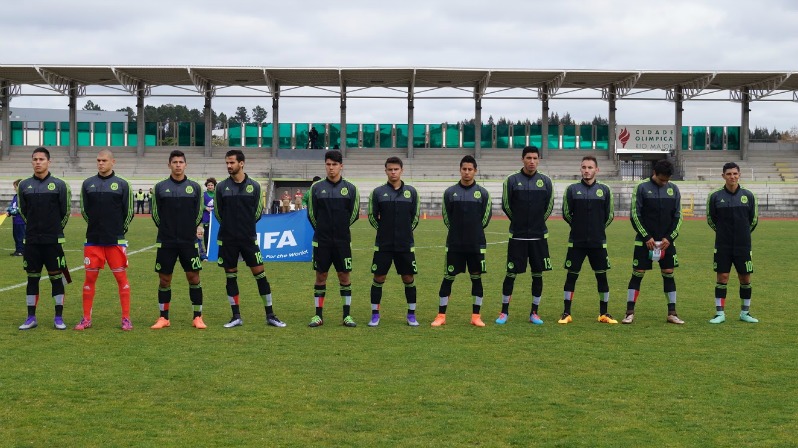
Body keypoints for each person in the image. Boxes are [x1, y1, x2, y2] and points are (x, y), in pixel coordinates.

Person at [215, 149, 286, 328]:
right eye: (227, 163)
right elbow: (218, 213)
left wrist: (244, 228)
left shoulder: (254, 186)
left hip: (248, 238)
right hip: (228, 239)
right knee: (230, 276)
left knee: (260, 275)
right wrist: (232, 227)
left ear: (242, 163)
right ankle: (236, 316)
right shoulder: (221, 187)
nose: (229, 166)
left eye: (232, 162)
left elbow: (257, 213)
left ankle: (270, 315)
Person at [74, 149, 135, 331]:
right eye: (98, 160)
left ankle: (125, 318)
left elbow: (129, 211)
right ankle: (86, 318)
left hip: (115, 241)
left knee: (121, 278)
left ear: (112, 162)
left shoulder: (122, 184)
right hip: (93, 241)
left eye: (104, 160)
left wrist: (118, 232)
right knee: (89, 279)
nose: (101, 163)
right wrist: (96, 227)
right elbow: (84, 211)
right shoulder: (88, 184)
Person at [431, 155, 492, 327]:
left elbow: (485, 219)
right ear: (460, 170)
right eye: (464, 169)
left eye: (470, 169)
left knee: (476, 279)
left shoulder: (483, 193)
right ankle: (441, 316)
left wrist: (473, 231)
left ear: (475, 171)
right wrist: (458, 231)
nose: (467, 172)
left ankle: (476, 316)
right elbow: (446, 217)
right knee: (448, 278)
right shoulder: (450, 192)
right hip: (455, 244)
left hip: (476, 244)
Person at [495, 146, 554, 325]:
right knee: (511, 273)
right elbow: (506, 205)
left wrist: (536, 223)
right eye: (528, 158)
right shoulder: (511, 180)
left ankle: (534, 313)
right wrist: (520, 222)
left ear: (539, 160)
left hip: (538, 237)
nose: (532, 161)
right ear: (522, 159)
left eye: (535, 158)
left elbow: (549, 206)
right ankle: (504, 312)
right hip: (518, 236)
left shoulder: (545, 181)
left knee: (537, 275)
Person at [150, 150, 207, 330]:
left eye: (181, 162)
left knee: (193, 277)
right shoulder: (160, 187)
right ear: (169, 165)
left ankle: (197, 317)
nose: (177, 165)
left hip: (188, 241)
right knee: (164, 279)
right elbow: (155, 213)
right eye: (174, 162)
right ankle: (163, 317)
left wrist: (188, 230)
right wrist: (167, 229)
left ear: (185, 165)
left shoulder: (195, 187)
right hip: (166, 241)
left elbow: (199, 212)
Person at [623, 159, 685, 325]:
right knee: (638, 273)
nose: (664, 183)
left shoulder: (674, 189)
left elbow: (678, 217)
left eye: (667, 180)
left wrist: (669, 238)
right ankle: (629, 312)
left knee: (669, 273)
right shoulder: (641, 188)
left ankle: (672, 313)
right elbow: (635, 215)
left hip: (666, 242)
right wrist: (646, 237)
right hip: (644, 242)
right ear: (654, 174)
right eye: (661, 179)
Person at [17, 147, 71, 330]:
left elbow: (65, 212)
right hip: (32, 241)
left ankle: (58, 317)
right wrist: (34, 228)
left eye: (41, 159)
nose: (38, 162)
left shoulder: (60, 185)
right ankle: (31, 317)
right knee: (32, 278)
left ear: (49, 161)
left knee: (56, 278)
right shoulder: (24, 185)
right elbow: (24, 212)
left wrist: (53, 230)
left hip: (53, 241)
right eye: (35, 159)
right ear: (32, 162)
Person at [559, 156, 616, 324]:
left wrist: (597, 228)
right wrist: (579, 227)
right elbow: (567, 213)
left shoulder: (605, 190)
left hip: (598, 242)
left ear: (596, 170)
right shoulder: (572, 189)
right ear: (580, 169)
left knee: (602, 277)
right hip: (576, 242)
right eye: (583, 167)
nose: (586, 170)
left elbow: (609, 215)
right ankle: (566, 313)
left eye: (590, 167)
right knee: (571, 276)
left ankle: (604, 313)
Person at [306, 150, 360, 327]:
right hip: (322, 241)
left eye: (334, 165)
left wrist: (340, 228)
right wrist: (322, 229)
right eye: (328, 164)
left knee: (344, 276)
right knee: (320, 276)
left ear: (341, 166)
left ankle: (347, 316)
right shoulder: (316, 188)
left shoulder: (351, 188)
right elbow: (312, 214)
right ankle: (318, 315)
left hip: (342, 241)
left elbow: (354, 214)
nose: (331, 168)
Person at [367, 156, 421, 327]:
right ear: (385, 171)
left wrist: (404, 232)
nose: (393, 172)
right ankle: (375, 314)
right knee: (379, 277)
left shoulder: (411, 192)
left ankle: (411, 315)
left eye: (396, 169)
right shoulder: (378, 192)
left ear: (401, 170)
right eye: (390, 169)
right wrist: (384, 231)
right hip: (383, 244)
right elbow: (372, 216)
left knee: (408, 277)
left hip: (405, 244)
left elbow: (415, 217)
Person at [707, 162, 759, 324]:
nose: (732, 177)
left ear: (739, 175)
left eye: (735, 174)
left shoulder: (748, 195)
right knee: (722, 277)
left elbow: (753, 220)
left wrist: (742, 233)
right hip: (723, 244)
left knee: (745, 278)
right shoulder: (715, 196)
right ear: (723, 176)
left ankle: (745, 312)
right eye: (729, 174)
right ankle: (719, 313)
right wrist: (724, 233)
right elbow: (711, 219)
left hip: (743, 244)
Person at [7, 179, 25, 256]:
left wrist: (11, 211)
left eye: (15, 187)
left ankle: (21, 251)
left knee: (20, 236)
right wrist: (9, 211)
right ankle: (18, 250)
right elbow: (12, 206)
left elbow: (20, 208)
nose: (14, 188)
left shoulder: (23, 197)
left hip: (21, 221)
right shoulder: (16, 196)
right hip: (15, 220)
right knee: (16, 236)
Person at [202, 177, 216, 252]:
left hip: (215, 219)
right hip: (206, 218)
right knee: (207, 235)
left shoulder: (217, 194)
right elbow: (200, 205)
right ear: (206, 186)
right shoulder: (203, 195)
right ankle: (207, 251)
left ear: (214, 186)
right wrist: (206, 208)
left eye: (211, 185)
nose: (210, 186)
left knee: (215, 234)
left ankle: (214, 250)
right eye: (208, 185)